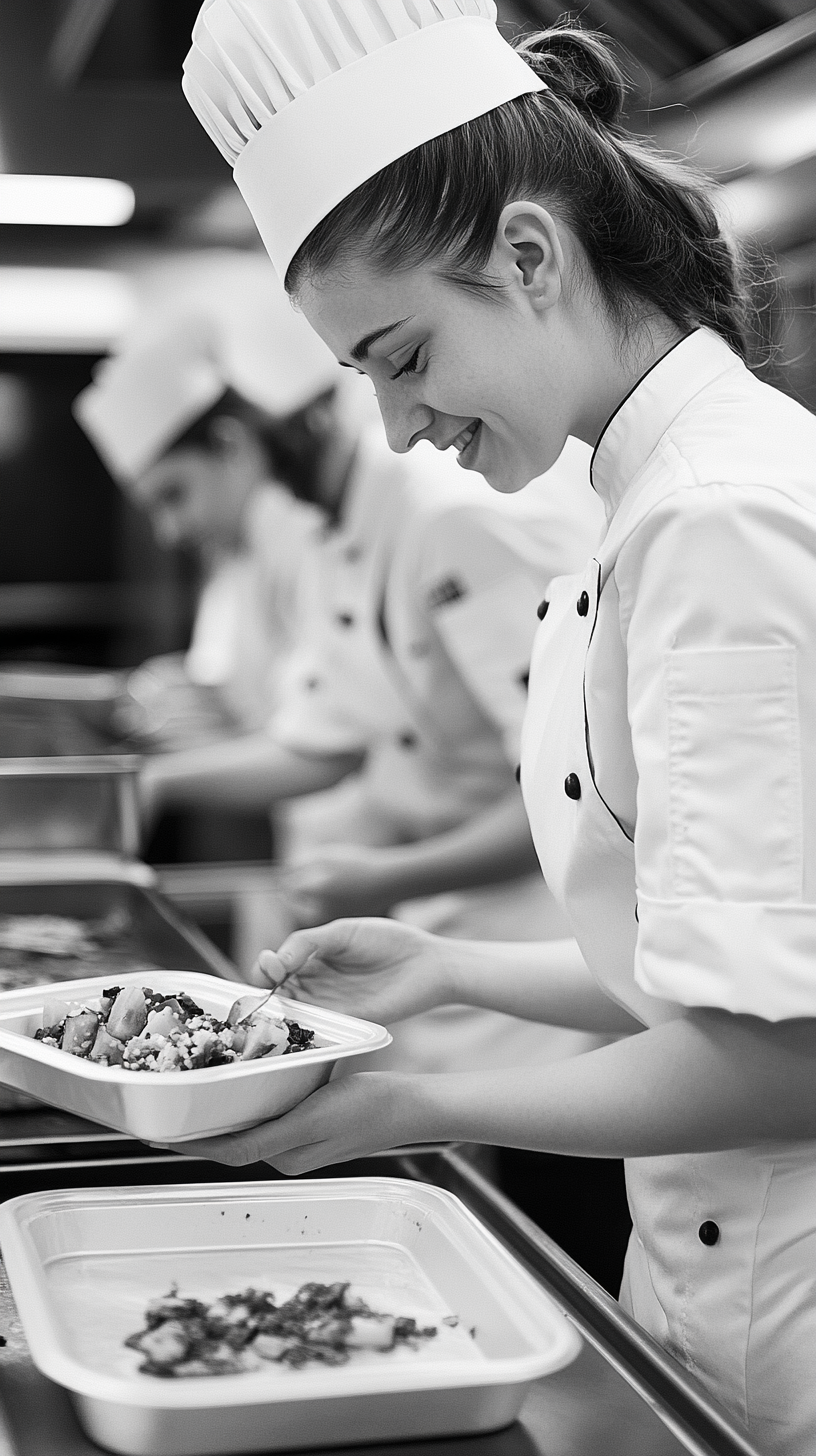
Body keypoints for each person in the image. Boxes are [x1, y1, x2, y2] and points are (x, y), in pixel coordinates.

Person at [177, 2, 816, 1451]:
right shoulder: (655, 497)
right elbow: (712, 970)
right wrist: (450, 963)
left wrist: (420, 1100)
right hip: (715, 1290)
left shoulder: (722, 521)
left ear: (529, 255)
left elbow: (791, 1057)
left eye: (404, 359)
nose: (403, 430)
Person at [74, 306, 337, 750]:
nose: (169, 532)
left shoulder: (305, 535)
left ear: (228, 444)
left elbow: (329, 728)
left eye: (174, 495)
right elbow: (232, 687)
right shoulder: (234, 551)